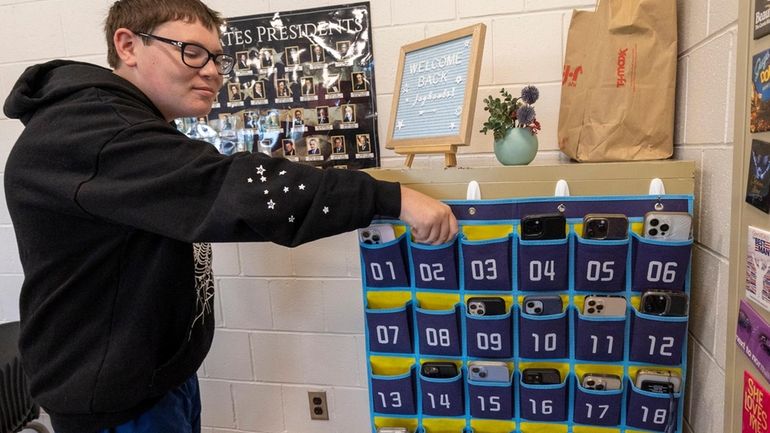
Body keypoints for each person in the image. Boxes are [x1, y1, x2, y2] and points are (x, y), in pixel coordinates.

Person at [2, 1, 458, 432]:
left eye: (219, 59)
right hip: (116, 403)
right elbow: (241, 191)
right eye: (192, 52)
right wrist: (390, 198)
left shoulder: (128, 126)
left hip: (157, 378)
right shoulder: (94, 134)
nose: (213, 73)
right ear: (128, 46)